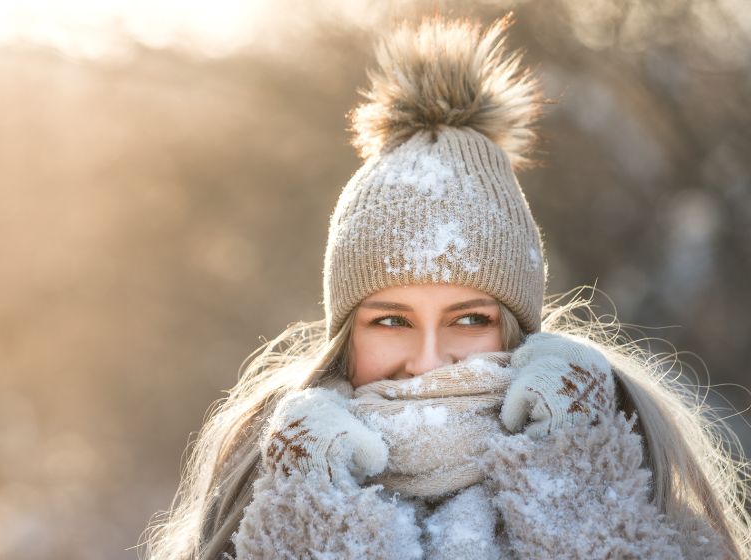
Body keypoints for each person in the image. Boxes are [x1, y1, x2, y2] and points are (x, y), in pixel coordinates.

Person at [142, 16, 751, 560]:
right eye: (390, 320)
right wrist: (312, 522)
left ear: (516, 331)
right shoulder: (260, 501)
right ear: (344, 335)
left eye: (468, 320)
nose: (427, 361)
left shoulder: (634, 483)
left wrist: (578, 480)